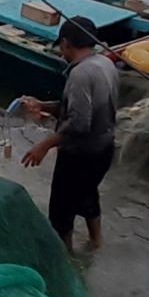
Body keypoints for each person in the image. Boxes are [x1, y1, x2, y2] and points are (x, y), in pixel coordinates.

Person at [19, 16, 118, 249]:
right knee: (87, 196)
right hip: (103, 149)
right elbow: (82, 109)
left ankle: (66, 261)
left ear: (66, 44)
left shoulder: (80, 74)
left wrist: (43, 146)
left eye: (61, 47)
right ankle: (96, 242)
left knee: (61, 213)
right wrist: (42, 105)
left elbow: (79, 124)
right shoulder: (106, 64)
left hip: (79, 155)